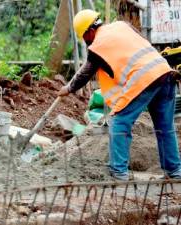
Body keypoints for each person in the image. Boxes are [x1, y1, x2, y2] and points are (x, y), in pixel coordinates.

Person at [58, 9, 181, 180]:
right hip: (164, 71)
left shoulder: (97, 46)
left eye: (84, 38)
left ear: (90, 31)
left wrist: (68, 88)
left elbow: (85, 74)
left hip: (144, 79)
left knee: (118, 121)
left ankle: (118, 172)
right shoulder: (123, 26)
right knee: (165, 127)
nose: (86, 42)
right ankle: (174, 172)